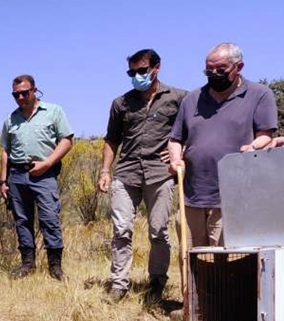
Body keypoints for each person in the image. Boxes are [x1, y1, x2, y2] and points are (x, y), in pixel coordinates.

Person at [168, 42, 278, 247]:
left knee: (225, 262)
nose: (214, 75)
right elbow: (175, 139)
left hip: (233, 197)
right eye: (208, 71)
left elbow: (266, 135)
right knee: (191, 260)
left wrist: (254, 146)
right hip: (192, 196)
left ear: (239, 67)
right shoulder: (192, 99)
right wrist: (175, 159)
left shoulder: (259, 94)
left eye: (221, 70)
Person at [99, 49, 187, 303]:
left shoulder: (179, 98)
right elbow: (112, 140)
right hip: (126, 173)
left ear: (156, 68)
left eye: (141, 70)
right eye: (132, 72)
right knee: (121, 230)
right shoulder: (121, 103)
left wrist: (181, 155)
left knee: (159, 231)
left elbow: (194, 131)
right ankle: (119, 285)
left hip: (160, 174)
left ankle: (157, 281)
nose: (137, 76)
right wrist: (105, 171)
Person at [0, 74, 74, 280]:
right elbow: (5, 150)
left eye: (25, 92)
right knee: (22, 220)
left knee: (50, 219)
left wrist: (47, 163)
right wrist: (3, 181)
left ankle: (55, 267)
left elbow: (67, 141)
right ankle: (27, 264)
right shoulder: (10, 119)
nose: (21, 97)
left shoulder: (53, 111)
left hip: (44, 174)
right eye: (16, 94)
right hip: (16, 175)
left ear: (34, 90)